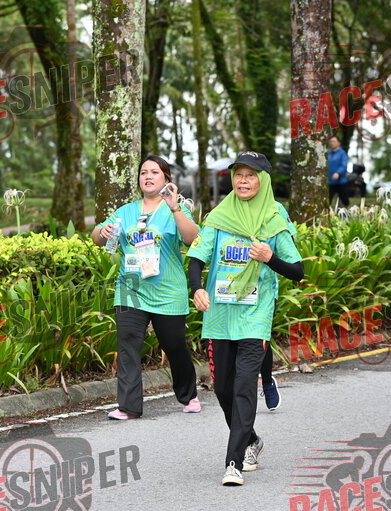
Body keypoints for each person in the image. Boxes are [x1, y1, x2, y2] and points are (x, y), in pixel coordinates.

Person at [187, 151, 303, 486]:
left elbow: (297, 271)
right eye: (239, 174)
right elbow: (196, 258)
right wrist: (197, 289)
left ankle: (233, 463)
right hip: (220, 316)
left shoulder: (275, 218)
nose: (243, 181)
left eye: (251, 175)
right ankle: (250, 439)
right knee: (223, 389)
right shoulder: (220, 216)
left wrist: (269, 258)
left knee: (243, 386)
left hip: (255, 315)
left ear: (263, 181)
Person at [92, 155, 201, 419]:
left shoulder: (174, 209)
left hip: (167, 289)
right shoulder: (125, 211)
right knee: (128, 345)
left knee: (174, 346)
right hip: (130, 285)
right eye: (143, 172)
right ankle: (128, 407)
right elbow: (97, 236)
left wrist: (175, 209)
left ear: (166, 179)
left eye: (154, 172)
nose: (148, 176)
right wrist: (103, 232)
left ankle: (188, 394)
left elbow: (192, 238)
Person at [258, 201, 297, 411]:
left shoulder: (276, 208)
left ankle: (266, 381)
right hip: (230, 290)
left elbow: (289, 246)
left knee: (260, 338)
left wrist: (268, 255)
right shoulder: (228, 207)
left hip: (263, 289)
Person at [328, 135, 350, 207]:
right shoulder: (328, 153)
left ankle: (346, 211)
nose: (332, 143)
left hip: (341, 181)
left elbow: (344, 165)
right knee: (328, 200)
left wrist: (338, 173)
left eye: (334, 141)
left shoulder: (342, 153)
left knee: (344, 200)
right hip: (330, 181)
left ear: (338, 143)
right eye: (331, 141)